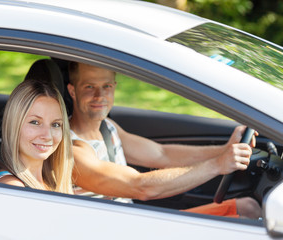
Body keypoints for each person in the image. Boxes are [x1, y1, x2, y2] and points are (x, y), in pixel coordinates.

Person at [66, 61, 261, 218]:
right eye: (89, 87)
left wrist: (225, 149)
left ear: (114, 87)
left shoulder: (108, 127)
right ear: (73, 91)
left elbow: (162, 154)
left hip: (135, 220)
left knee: (247, 208)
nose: (100, 96)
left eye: (106, 86)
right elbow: (140, 186)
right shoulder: (72, 150)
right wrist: (218, 164)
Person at [0, 79, 74, 194]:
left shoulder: (49, 182)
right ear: (13, 124)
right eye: (35, 122)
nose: (47, 136)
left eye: (55, 124)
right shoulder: (12, 188)